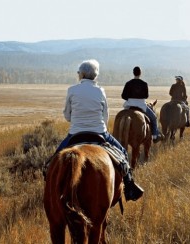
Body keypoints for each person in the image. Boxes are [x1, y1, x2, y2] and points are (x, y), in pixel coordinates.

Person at [45, 59, 143, 201]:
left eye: (79, 73)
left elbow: (67, 116)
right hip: (100, 133)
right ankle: (129, 187)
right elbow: (105, 116)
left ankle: (51, 188)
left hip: (75, 133)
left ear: (82, 74)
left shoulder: (72, 90)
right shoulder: (100, 91)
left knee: (53, 161)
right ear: (95, 75)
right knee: (122, 153)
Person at [121, 66, 164, 143]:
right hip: (141, 105)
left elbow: (123, 96)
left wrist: (131, 98)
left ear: (133, 73)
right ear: (140, 73)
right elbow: (146, 96)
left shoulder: (128, 83)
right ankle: (154, 136)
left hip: (129, 105)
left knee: (121, 117)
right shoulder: (144, 84)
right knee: (154, 118)